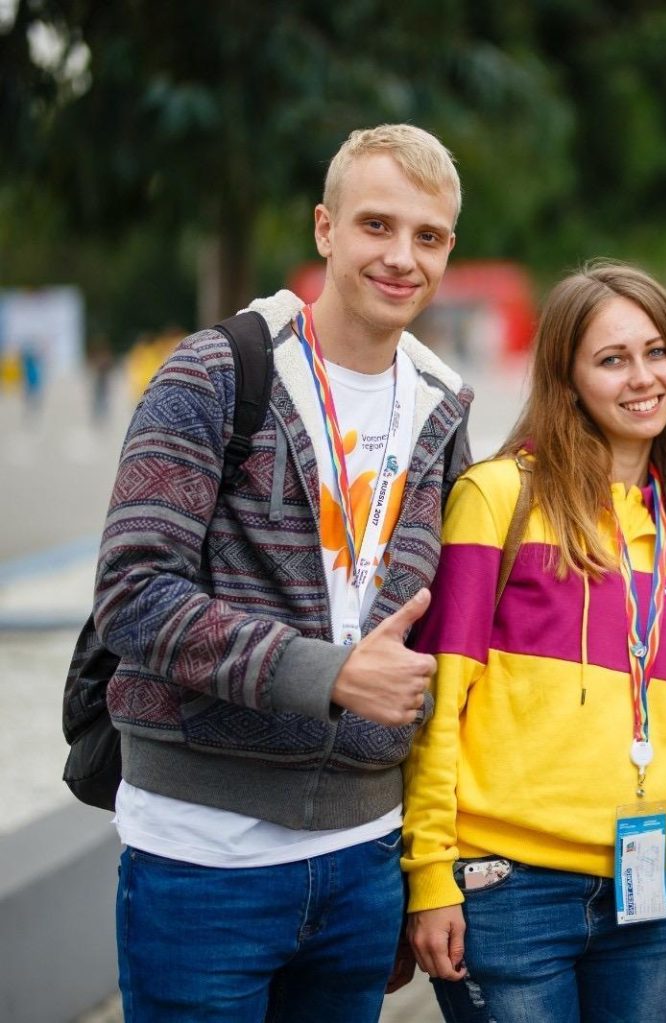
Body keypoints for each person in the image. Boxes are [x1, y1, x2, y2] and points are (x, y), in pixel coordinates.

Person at [93, 123, 473, 1020]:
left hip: (363, 861)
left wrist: (419, 859)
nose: (401, 257)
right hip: (203, 858)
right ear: (324, 229)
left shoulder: (444, 409)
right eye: (377, 225)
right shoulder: (216, 372)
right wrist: (329, 674)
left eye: (428, 236)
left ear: (449, 249)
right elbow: (133, 592)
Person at [402, 261, 666, 1023]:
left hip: (645, 887)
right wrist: (430, 875)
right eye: (612, 359)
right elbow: (438, 708)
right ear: (567, 379)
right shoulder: (498, 498)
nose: (643, 377)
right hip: (510, 887)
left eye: (656, 351)